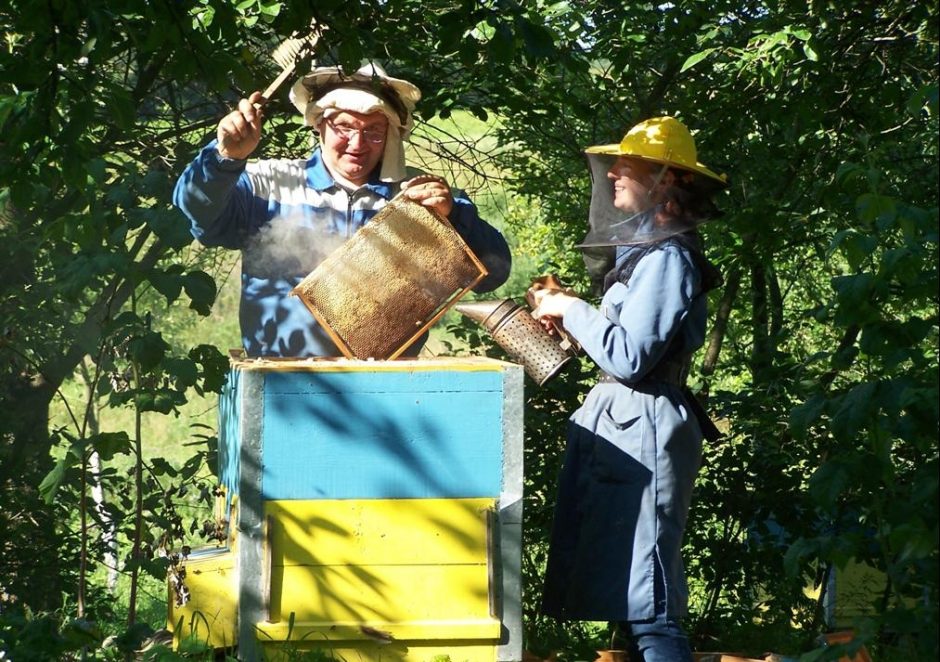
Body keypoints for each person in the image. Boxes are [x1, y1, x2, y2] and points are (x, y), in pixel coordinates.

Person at [530, 116, 728, 662]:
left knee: (650, 601)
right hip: (622, 420)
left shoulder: (668, 257)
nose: (613, 171)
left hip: (646, 421)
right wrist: (570, 320)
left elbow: (630, 355)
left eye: (629, 164)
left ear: (666, 180)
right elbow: (618, 343)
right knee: (629, 598)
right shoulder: (646, 252)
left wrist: (573, 308)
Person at [173, 61, 511, 357]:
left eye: (373, 131)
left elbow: (494, 270)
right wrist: (224, 158)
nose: (357, 143)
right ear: (319, 124)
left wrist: (453, 216)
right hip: (284, 384)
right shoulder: (269, 182)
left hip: (385, 385)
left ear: (392, 135)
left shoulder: (419, 196)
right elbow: (200, 215)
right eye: (344, 127)